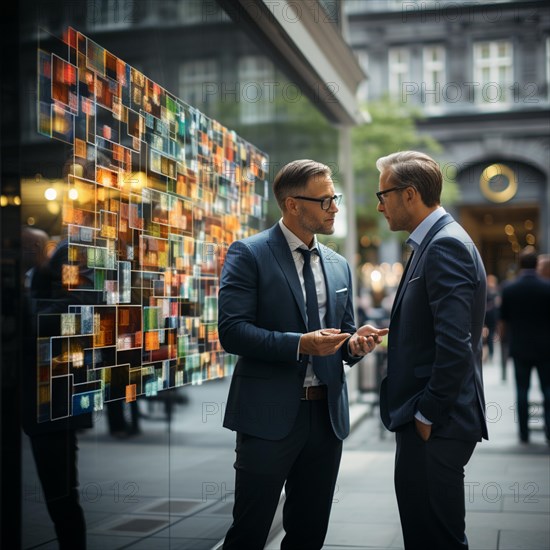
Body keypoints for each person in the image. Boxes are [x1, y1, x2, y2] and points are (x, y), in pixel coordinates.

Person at [218, 159, 388, 549]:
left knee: (309, 533)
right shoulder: (249, 253)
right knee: (248, 532)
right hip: (267, 415)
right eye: (326, 200)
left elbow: (341, 340)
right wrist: (300, 342)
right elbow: (232, 332)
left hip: (325, 418)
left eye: (335, 198)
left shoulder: (339, 264)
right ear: (293, 204)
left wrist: (355, 344)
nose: (335, 208)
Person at [375, 151, 488, 550]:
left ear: (409, 195)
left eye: (382, 193)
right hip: (433, 421)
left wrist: (427, 413)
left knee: (434, 539)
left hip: (436, 423)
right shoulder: (434, 242)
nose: (378, 204)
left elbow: (455, 345)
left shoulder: (444, 246)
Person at [22, 233, 97, 550]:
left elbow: (76, 307)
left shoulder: (71, 254)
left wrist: (26, 313)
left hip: (51, 393)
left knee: (61, 493)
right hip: (34, 390)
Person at [499, 247, 550, 444]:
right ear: (537, 264)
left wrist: (503, 343)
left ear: (520, 265)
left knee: (522, 390)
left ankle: (523, 432)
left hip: (520, 347)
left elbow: (503, 321)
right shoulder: (546, 288)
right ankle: (548, 429)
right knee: (547, 389)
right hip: (546, 347)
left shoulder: (510, 288)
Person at [484, 274, 500, 363]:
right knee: (490, 335)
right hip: (492, 316)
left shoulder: (485, 290)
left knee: (487, 336)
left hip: (486, 316)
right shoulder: (495, 291)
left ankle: (488, 353)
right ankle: (490, 353)